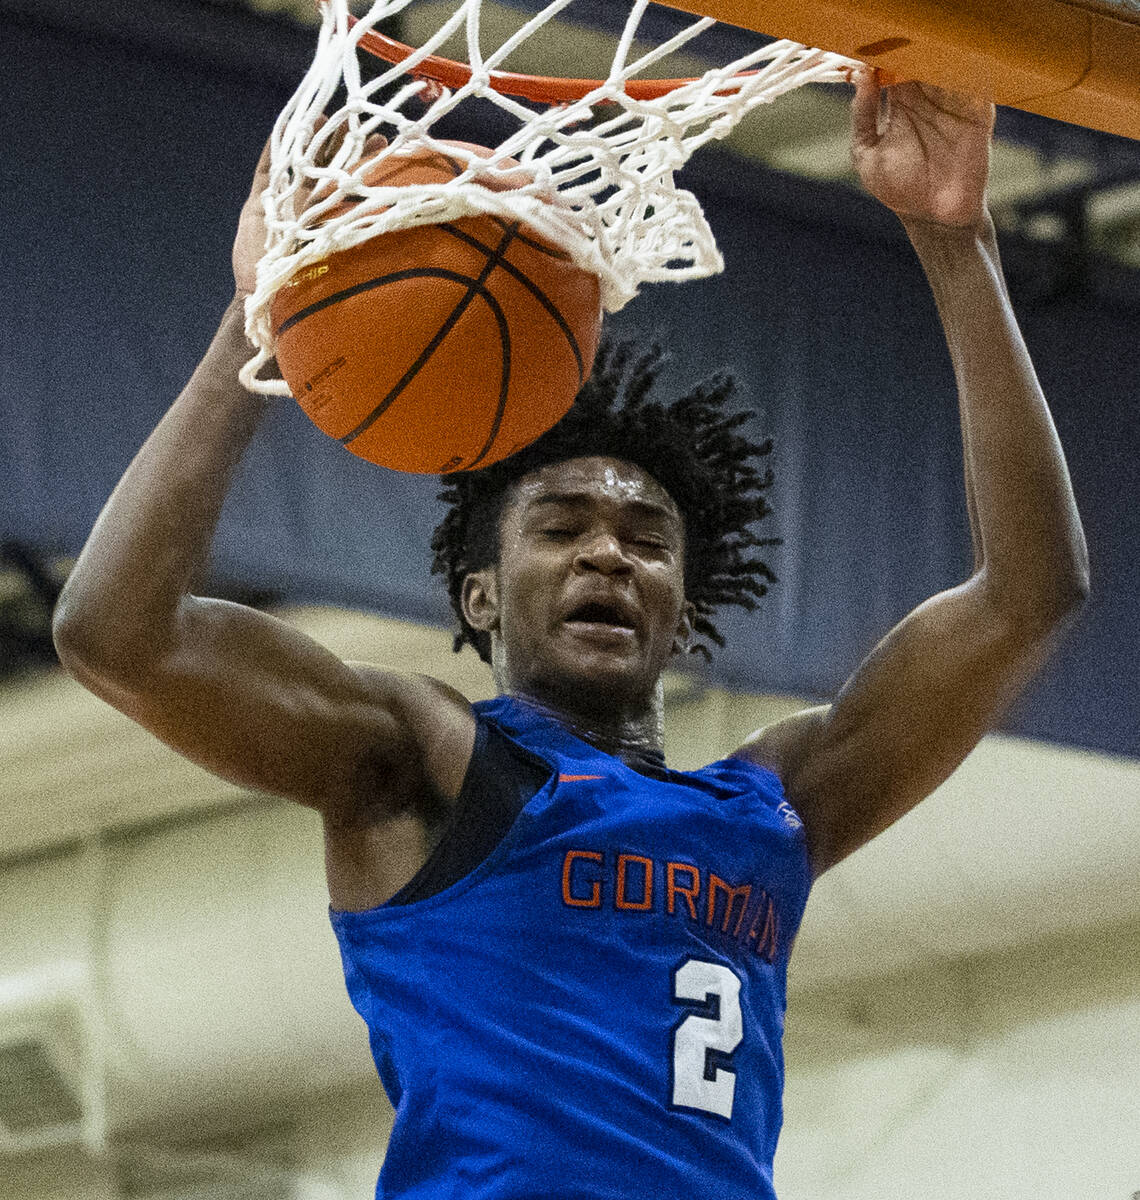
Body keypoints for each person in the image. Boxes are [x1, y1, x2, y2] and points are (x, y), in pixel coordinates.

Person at [53, 70, 1088, 1199]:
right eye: (562, 528)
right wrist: (259, 324)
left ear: (681, 614)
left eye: (646, 538)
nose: (608, 553)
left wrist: (956, 241)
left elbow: (1026, 598)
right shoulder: (427, 762)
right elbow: (117, 634)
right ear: (482, 596)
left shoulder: (779, 804)